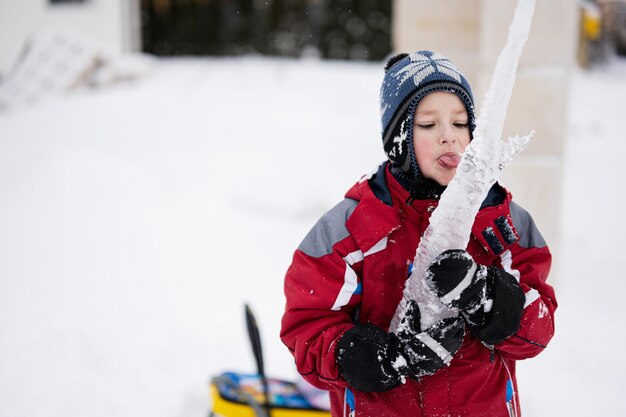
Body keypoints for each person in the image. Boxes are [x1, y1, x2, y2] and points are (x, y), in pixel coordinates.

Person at [280, 51, 557, 417]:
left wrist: (488, 296)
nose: (449, 137)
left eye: (460, 124)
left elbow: (539, 329)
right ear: (399, 139)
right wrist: (376, 359)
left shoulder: (503, 222)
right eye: (428, 124)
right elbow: (307, 329)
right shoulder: (350, 229)